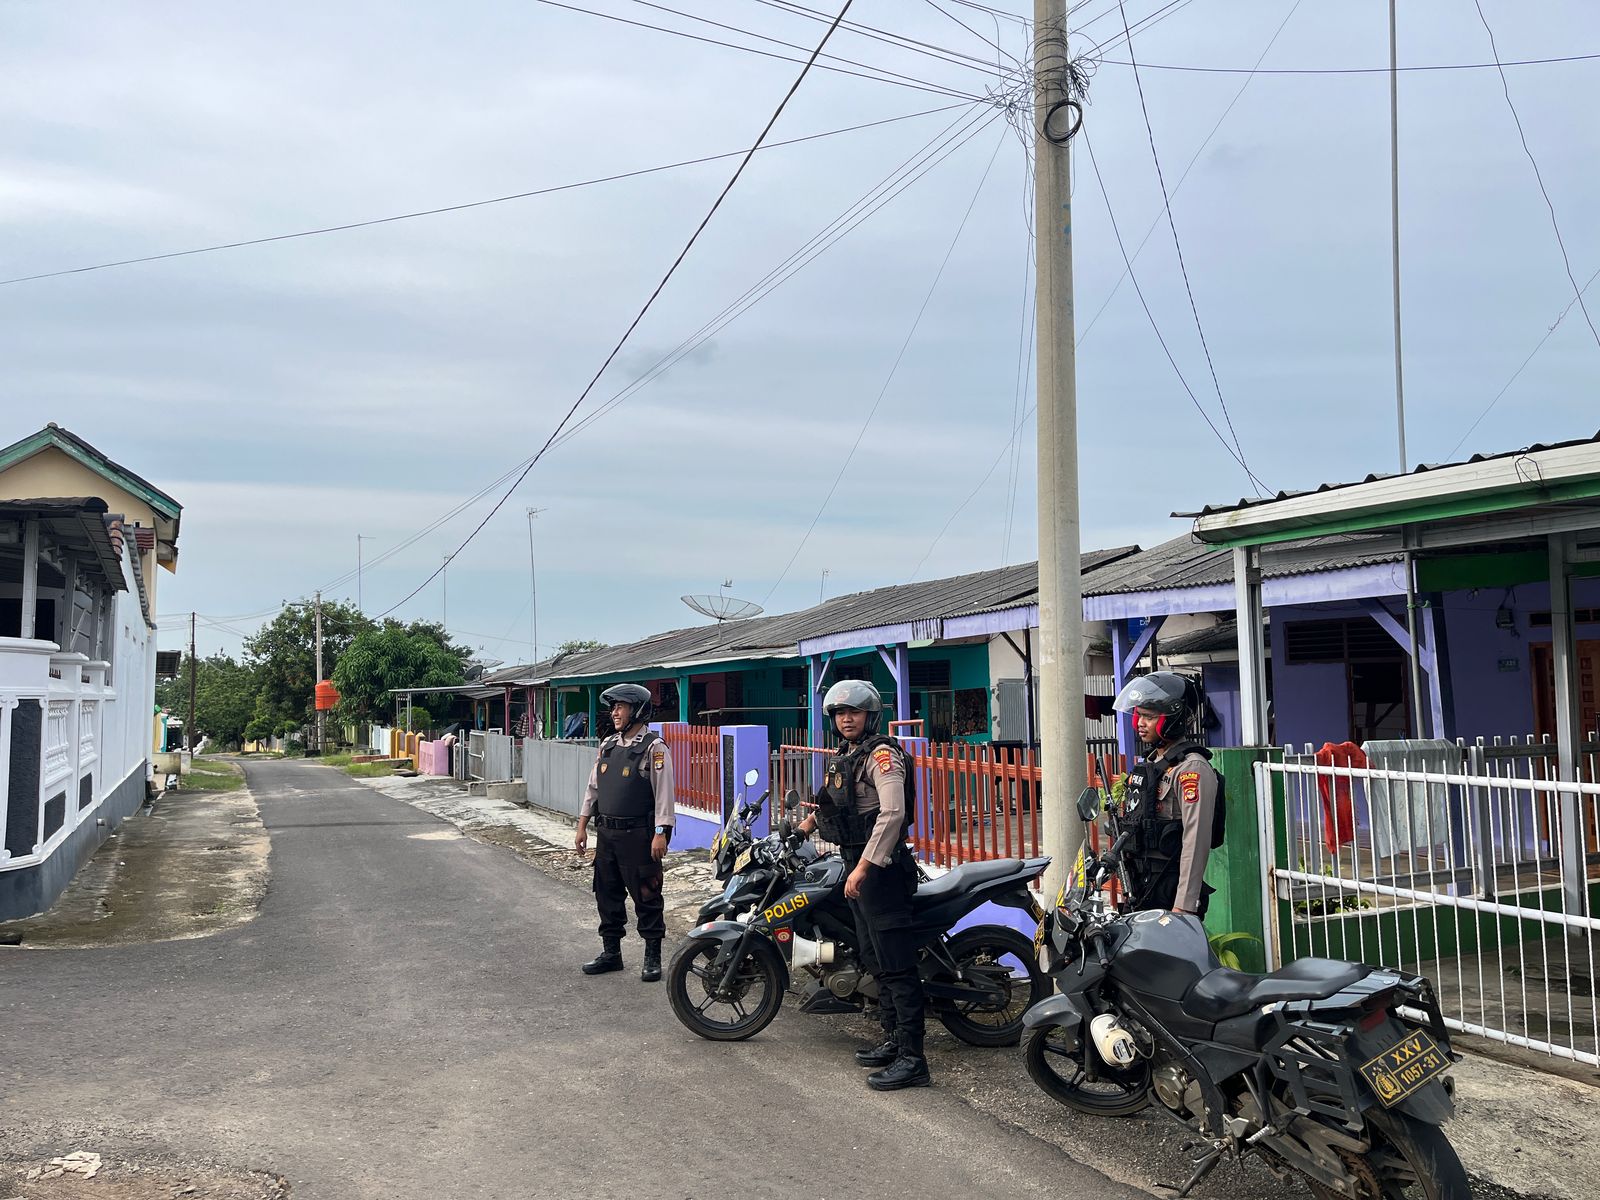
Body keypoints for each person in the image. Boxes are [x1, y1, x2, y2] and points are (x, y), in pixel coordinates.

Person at [793, 679, 929, 1091]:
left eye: (853, 712)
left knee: (896, 964)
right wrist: (803, 828)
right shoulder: (847, 755)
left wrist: (865, 866)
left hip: (881, 872)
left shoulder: (882, 756)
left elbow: (892, 813)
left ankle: (914, 1059)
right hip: (857, 866)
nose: (846, 719)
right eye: (839, 713)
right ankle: (893, 1039)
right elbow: (830, 804)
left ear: (870, 715)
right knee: (873, 957)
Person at [574, 683, 675, 982]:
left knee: (647, 895)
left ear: (637, 710)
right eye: (613, 707)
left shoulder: (654, 748)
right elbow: (592, 789)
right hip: (607, 835)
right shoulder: (608, 745)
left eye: (620, 707)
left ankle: (652, 957)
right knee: (607, 894)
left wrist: (661, 833)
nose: (614, 712)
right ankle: (611, 953)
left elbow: (664, 795)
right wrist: (582, 826)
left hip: (639, 836)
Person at [1111, 671, 1220, 918]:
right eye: (1138, 715)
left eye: (1149, 717)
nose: (1140, 723)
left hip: (1170, 890)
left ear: (1174, 720)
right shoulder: (1152, 763)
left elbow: (1196, 839)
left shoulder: (1192, 768)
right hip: (1142, 886)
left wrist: (1184, 904)